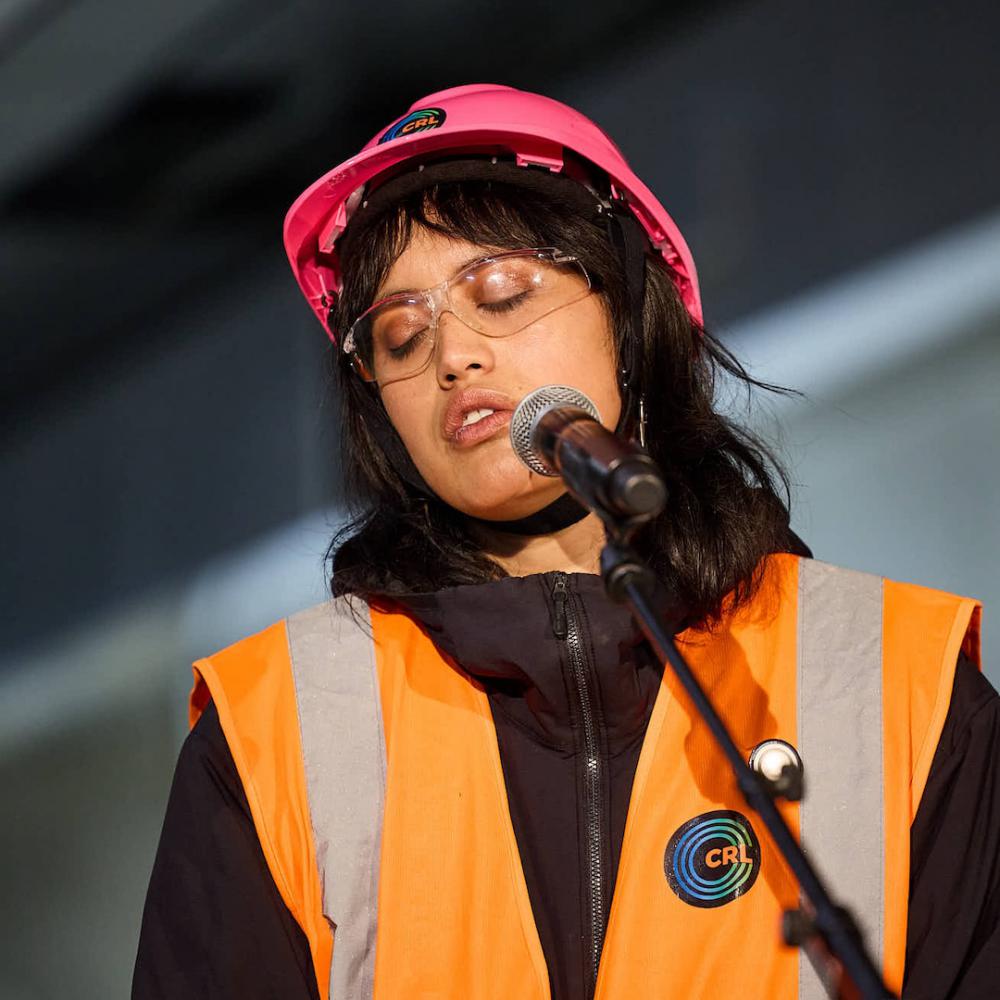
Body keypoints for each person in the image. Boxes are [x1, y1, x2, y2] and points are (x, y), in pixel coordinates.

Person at [132, 85, 998, 1000]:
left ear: (627, 311)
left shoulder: (903, 677)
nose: (454, 355)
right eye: (398, 334)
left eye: (502, 293)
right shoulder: (274, 729)